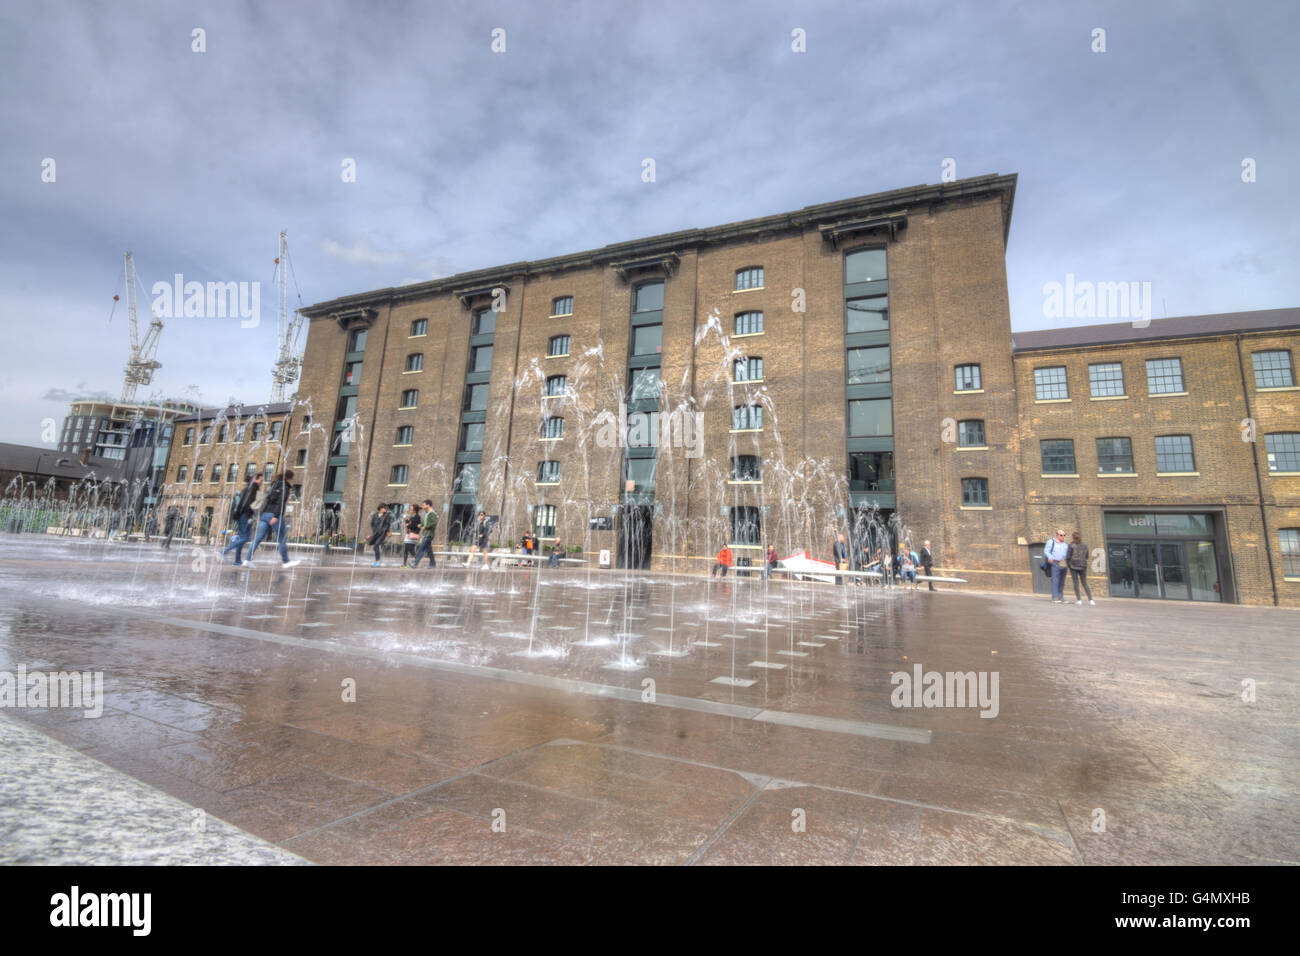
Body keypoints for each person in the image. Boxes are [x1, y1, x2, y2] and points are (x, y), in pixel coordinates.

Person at [245, 469, 300, 568]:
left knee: (257, 538)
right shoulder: (285, 487)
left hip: (264, 514)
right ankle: (286, 561)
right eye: (292, 478)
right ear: (289, 478)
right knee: (282, 537)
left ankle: (247, 560)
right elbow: (280, 502)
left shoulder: (273, 485)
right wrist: (276, 516)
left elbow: (268, 499)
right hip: (274, 515)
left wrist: (264, 514)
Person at [222, 473, 263, 566]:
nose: (262, 482)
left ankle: (237, 560)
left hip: (240, 515)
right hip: (245, 516)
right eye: (260, 480)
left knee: (241, 538)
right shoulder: (253, 489)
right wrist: (250, 517)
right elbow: (247, 504)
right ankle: (224, 552)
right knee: (246, 538)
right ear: (255, 480)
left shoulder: (247, 488)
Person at [1067, 531, 1095, 605]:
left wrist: (1069, 565)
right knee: (1084, 583)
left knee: (1076, 583)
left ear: (1073, 537)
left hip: (1073, 566)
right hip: (1083, 566)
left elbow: (1068, 557)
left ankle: (1079, 600)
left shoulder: (1071, 545)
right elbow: (1087, 556)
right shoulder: (1085, 546)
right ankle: (1091, 600)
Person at [1043, 528, 1070, 603]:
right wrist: (1050, 557)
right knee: (1055, 580)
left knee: (1062, 581)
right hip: (1055, 563)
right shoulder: (1051, 542)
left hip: (1063, 564)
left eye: (1064, 535)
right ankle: (1055, 597)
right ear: (1057, 535)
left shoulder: (1065, 545)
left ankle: (1060, 597)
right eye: (1061, 535)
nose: (1063, 536)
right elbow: (1046, 551)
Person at [411, 500, 439, 568]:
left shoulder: (432, 513)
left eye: (424, 505)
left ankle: (415, 563)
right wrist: (421, 524)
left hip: (429, 534)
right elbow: (426, 522)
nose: (423, 506)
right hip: (426, 534)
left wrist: (425, 527)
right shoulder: (427, 513)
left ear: (428, 505)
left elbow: (434, 523)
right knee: (429, 550)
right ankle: (433, 564)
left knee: (421, 548)